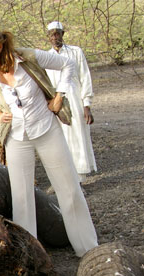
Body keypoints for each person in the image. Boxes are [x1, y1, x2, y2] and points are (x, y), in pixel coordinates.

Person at [0, 25, 97, 257]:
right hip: (17, 136)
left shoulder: (27, 57)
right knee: (22, 198)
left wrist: (60, 96)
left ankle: (88, 249)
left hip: (46, 129)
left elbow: (68, 64)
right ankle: (31, 256)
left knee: (68, 188)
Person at [46, 21, 96, 183]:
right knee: (62, 138)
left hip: (75, 98)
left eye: (57, 33)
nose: (55, 37)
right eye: (52, 34)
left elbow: (85, 77)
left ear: (63, 34)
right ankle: (66, 177)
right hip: (57, 101)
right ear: (48, 37)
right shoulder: (46, 56)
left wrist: (86, 104)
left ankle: (80, 176)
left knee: (78, 134)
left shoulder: (75, 52)